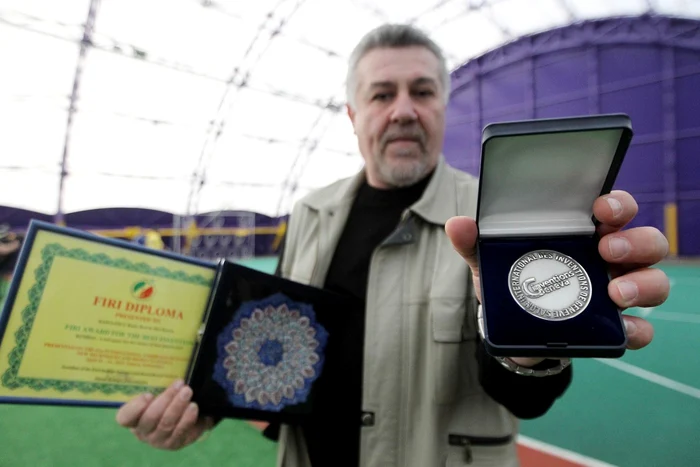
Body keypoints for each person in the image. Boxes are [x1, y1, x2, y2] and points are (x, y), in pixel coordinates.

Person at [115, 24, 670, 466]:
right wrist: (203, 408)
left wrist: (532, 338)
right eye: (383, 94)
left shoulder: (495, 214)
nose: (403, 109)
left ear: (441, 109)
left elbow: (530, 398)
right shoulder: (309, 211)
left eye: (422, 91)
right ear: (355, 117)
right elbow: (275, 340)